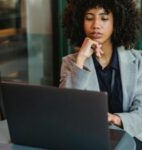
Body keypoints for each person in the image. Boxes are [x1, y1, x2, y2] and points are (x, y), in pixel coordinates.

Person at [59, 0, 142, 149]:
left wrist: (116, 119)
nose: (96, 25)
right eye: (89, 18)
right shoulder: (71, 63)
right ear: (79, 21)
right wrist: (81, 59)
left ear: (117, 21)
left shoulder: (139, 61)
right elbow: (66, 109)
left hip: (132, 138)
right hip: (88, 141)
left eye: (104, 18)